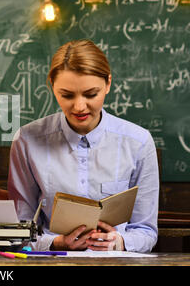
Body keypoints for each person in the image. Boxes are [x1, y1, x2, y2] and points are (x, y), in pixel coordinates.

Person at [8, 39, 159, 252]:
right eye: (67, 95)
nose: (79, 107)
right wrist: (56, 242)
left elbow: (146, 231)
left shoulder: (139, 142)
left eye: (91, 94)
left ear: (108, 83)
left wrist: (119, 242)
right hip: (52, 261)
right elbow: (19, 229)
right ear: (52, 86)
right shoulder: (26, 140)